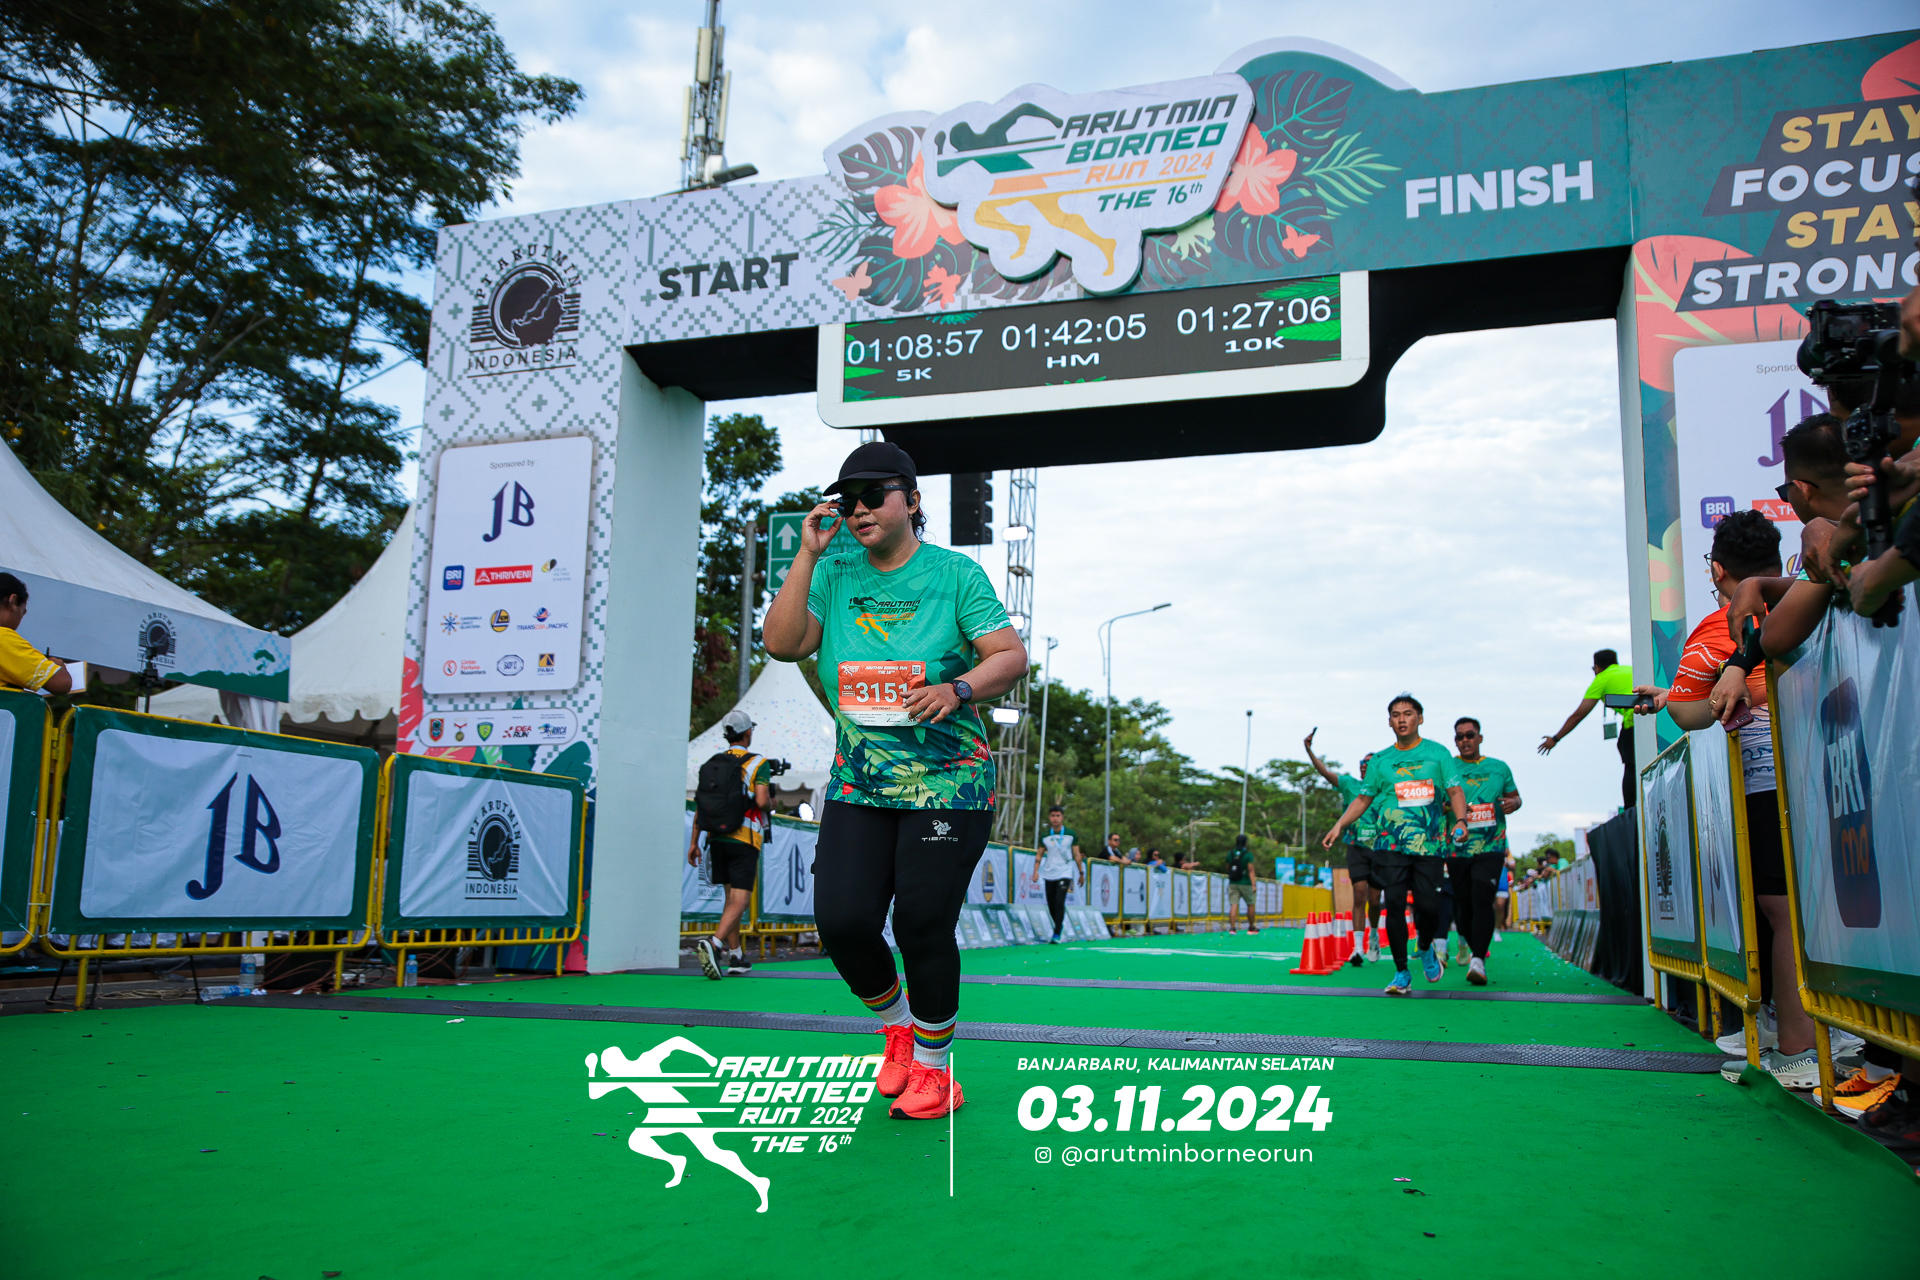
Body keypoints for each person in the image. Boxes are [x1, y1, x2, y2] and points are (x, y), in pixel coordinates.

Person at [762, 440, 1027, 1121]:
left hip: (948, 783)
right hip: (859, 784)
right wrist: (806, 555)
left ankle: (936, 1071)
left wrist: (957, 688)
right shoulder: (834, 570)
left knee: (919, 920)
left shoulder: (955, 574)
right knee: (842, 921)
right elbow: (784, 644)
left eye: (873, 495)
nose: (858, 510)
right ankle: (899, 1029)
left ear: (911, 500)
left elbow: (1009, 656)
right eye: (847, 499)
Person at [1636, 508, 1869, 1088]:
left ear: (1717, 569)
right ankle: (1827, 1028)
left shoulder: (1721, 626)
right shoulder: (1821, 593)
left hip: (1774, 783)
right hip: (1850, 766)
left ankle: (1798, 1045)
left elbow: (1692, 713)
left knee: (1781, 908)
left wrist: (1715, 690)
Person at [1322, 694, 1469, 996]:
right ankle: (1402, 971)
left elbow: (1455, 791)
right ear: (1389, 721)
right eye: (1395, 715)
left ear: (1420, 718)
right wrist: (1339, 825)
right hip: (1389, 847)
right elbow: (1363, 798)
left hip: (1429, 847)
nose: (1402, 719)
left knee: (1428, 907)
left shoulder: (1438, 754)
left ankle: (1425, 946)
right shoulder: (1380, 761)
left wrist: (1461, 821)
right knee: (1395, 905)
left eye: (1408, 713)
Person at [686, 709, 775, 980]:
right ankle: (714, 944)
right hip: (744, 838)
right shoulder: (758, 763)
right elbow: (762, 801)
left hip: (715, 838)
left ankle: (736, 956)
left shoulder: (712, 764)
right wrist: (771, 801)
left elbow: (703, 804)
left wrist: (695, 842)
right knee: (741, 900)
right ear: (748, 733)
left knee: (730, 899)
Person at [1449, 717, 1521, 986]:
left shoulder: (1499, 768)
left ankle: (1478, 960)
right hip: (1457, 847)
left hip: (1491, 844)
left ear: (1480, 738)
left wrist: (1513, 803)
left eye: (1470, 735)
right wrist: (1453, 809)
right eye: (1460, 737)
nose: (1465, 740)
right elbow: (1435, 803)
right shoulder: (1448, 768)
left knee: (1482, 895)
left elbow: (1515, 797)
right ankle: (1471, 946)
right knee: (1463, 904)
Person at [1305, 729, 1379, 964]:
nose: (1365, 766)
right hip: (1356, 847)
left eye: (1370, 763)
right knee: (1359, 894)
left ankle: (1374, 935)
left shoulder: (1385, 789)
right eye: (1362, 763)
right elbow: (1325, 772)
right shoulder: (1349, 784)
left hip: (1379, 849)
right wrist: (1309, 750)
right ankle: (1357, 948)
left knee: (1375, 900)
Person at [1538, 649, 1635, 810]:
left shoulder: (1601, 679)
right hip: (1654, 714)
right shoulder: (1630, 669)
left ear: (1597, 667)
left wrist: (1555, 739)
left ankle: (1630, 810)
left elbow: (1578, 715)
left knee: (1631, 765)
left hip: (1634, 721)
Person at [0, 574, 75, 695]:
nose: (21, 618)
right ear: (13, 601)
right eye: (23, 612)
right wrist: (58, 666)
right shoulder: (3, 638)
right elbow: (61, 683)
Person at [1032, 805, 1083, 944]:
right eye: (1053, 816)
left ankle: (1057, 932)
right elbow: (1039, 854)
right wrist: (1035, 871)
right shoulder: (1045, 835)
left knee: (1060, 901)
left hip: (1065, 872)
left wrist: (1081, 872)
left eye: (1058, 816)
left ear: (1062, 817)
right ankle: (1059, 925)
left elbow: (1077, 854)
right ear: (1050, 817)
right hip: (1049, 873)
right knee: (1051, 904)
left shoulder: (1070, 834)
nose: (1055, 818)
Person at [1224, 834, 1258, 934]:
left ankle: (1232, 928)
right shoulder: (1248, 854)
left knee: (1234, 905)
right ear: (1245, 843)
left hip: (1233, 882)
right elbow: (1250, 869)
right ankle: (1251, 927)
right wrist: (1253, 884)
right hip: (1245, 883)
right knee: (1250, 904)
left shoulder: (1230, 853)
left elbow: (1228, 867)